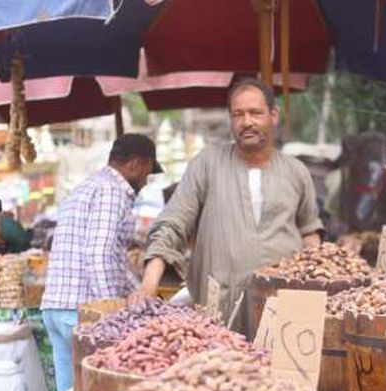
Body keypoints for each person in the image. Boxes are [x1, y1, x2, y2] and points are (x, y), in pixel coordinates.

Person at [133, 78, 323, 334]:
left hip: (283, 317)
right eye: (238, 114)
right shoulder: (207, 164)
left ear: (273, 115)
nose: (247, 122)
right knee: (221, 372)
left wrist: (320, 278)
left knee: (280, 374)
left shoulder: (296, 171)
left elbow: (309, 232)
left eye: (255, 113)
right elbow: (172, 224)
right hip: (218, 314)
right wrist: (147, 287)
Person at [41, 133, 160, 391]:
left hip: (56, 306)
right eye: (147, 173)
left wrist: (138, 289)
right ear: (135, 164)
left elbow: (113, 257)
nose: (145, 181)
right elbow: (99, 254)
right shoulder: (112, 191)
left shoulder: (87, 187)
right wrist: (112, 312)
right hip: (82, 311)